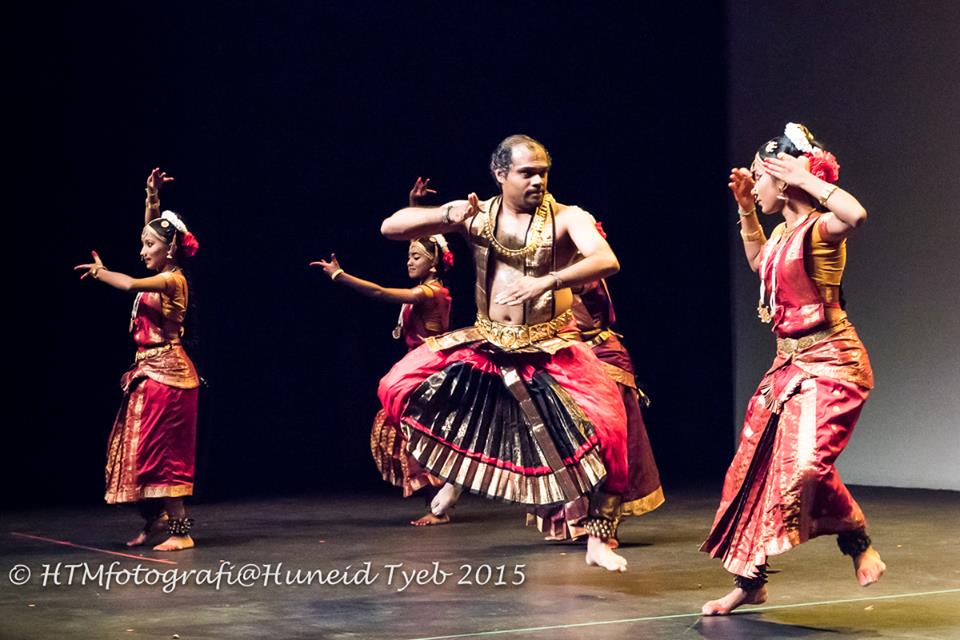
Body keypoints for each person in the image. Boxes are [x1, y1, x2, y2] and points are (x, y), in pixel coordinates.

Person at [378, 135, 630, 571]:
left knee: (611, 430)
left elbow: (606, 259)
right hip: (489, 345)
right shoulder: (477, 216)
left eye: (543, 172)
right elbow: (389, 227)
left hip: (552, 346)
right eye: (527, 173)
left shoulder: (568, 218)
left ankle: (598, 538)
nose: (538, 181)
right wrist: (445, 214)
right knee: (395, 385)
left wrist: (547, 282)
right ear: (500, 175)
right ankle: (452, 487)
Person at [700, 123, 885, 614]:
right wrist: (744, 208)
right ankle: (750, 582)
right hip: (788, 366)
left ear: (786, 180)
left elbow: (857, 214)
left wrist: (807, 177)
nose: (755, 185)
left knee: (805, 467)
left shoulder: (821, 228)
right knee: (751, 473)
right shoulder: (781, 233)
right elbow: (762, 263)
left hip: (832, 364)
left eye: (761, 177)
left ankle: (859, 543)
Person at [311, 177, 459, 526]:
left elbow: (379, 293)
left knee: (421, 433)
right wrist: (415, 208)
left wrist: (340, 276)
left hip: (432, 369)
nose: (409, 261)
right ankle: (437, 499)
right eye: (408, 255)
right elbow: (421, 235)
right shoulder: (426, 285)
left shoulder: (431, 292)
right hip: (420, 365)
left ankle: (440, 503)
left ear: (434, 262)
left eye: (416, 256)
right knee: (412, 432)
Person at [75, 168, 201, 551]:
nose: (142, 250)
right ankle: (155, 521)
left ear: (170, 249)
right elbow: (154, 235)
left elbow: (128, 283)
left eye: (149, 246)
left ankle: (182, 532)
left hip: (170, 377)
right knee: (137, 454)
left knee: (163, 455)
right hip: (149, 373)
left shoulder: (172, 280)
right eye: (142, 244)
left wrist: (101, 273)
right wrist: (152, 200)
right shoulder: (163, 268)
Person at [526, 222, 664, 546]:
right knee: (565, 443)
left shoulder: (579, 272)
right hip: (568, 357)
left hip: (603, 358)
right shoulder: (557, 270)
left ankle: (605, 524)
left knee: (608, 445)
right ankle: (574, 519)